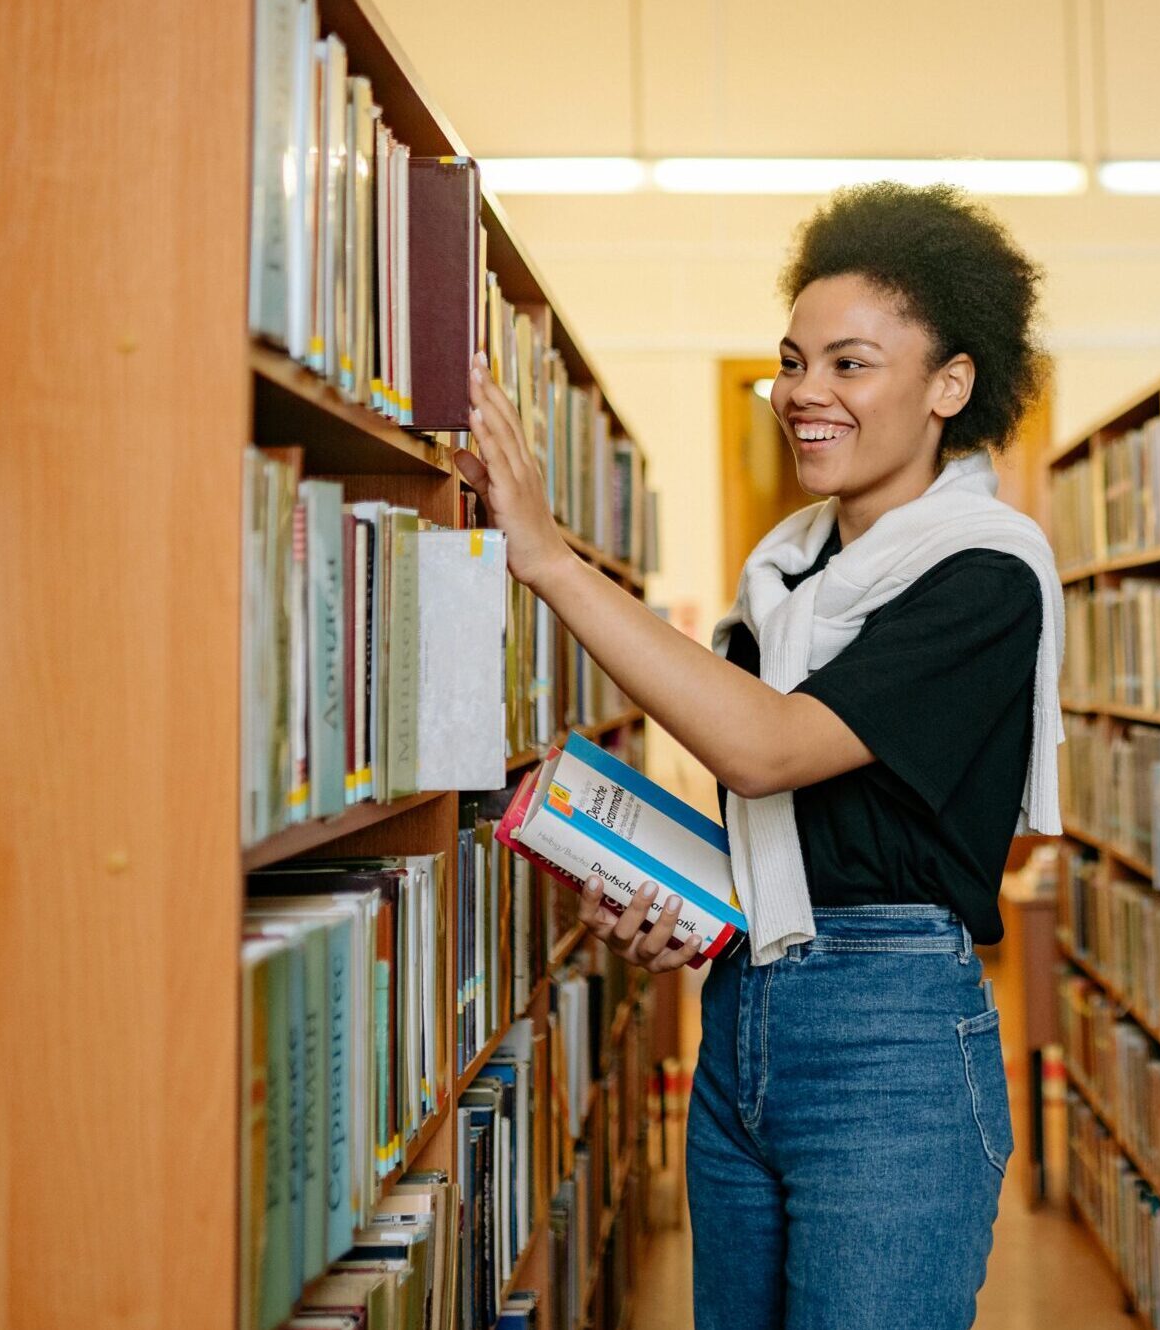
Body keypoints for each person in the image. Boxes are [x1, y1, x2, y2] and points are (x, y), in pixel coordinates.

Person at [454, 182, 1059, 1330]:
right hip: (740, 1018)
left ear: (950, 385)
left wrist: (550, 560)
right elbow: (777, 823)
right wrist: (681, 897)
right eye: (792, 363)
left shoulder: (986, 574)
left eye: (849, 364)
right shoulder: (784, 572)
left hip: (892, 1044)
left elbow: (768, 748)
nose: (803, 395)